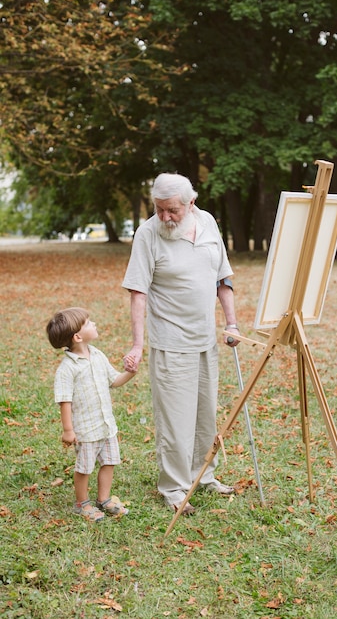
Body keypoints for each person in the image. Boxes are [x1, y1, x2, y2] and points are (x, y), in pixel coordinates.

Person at [122, 172, 240, 515]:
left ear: (191, 203)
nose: (164, 217)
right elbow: (138, 291)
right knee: (176, 419)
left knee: (206, 415)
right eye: (159, 209)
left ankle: (202, 475)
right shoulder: (148, 234)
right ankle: (173, 487)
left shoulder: (207, 223)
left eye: (171, 210)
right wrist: (137, 344)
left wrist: (231, 322)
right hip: (171, 341)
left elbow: (223, 277)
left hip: (206, 340)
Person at [46, 307, 136, 522]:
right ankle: (82, 503)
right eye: (88, 322)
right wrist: (68, 430)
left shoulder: (97, 355)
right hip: (86, 430)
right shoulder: (68, 368)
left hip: (106, 425)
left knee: (109, 462)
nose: (94, 323)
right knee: (84, 468)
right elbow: (64, 400)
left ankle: (104, 499)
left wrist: (130, 372)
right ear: (77, 336)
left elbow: (113, 381)